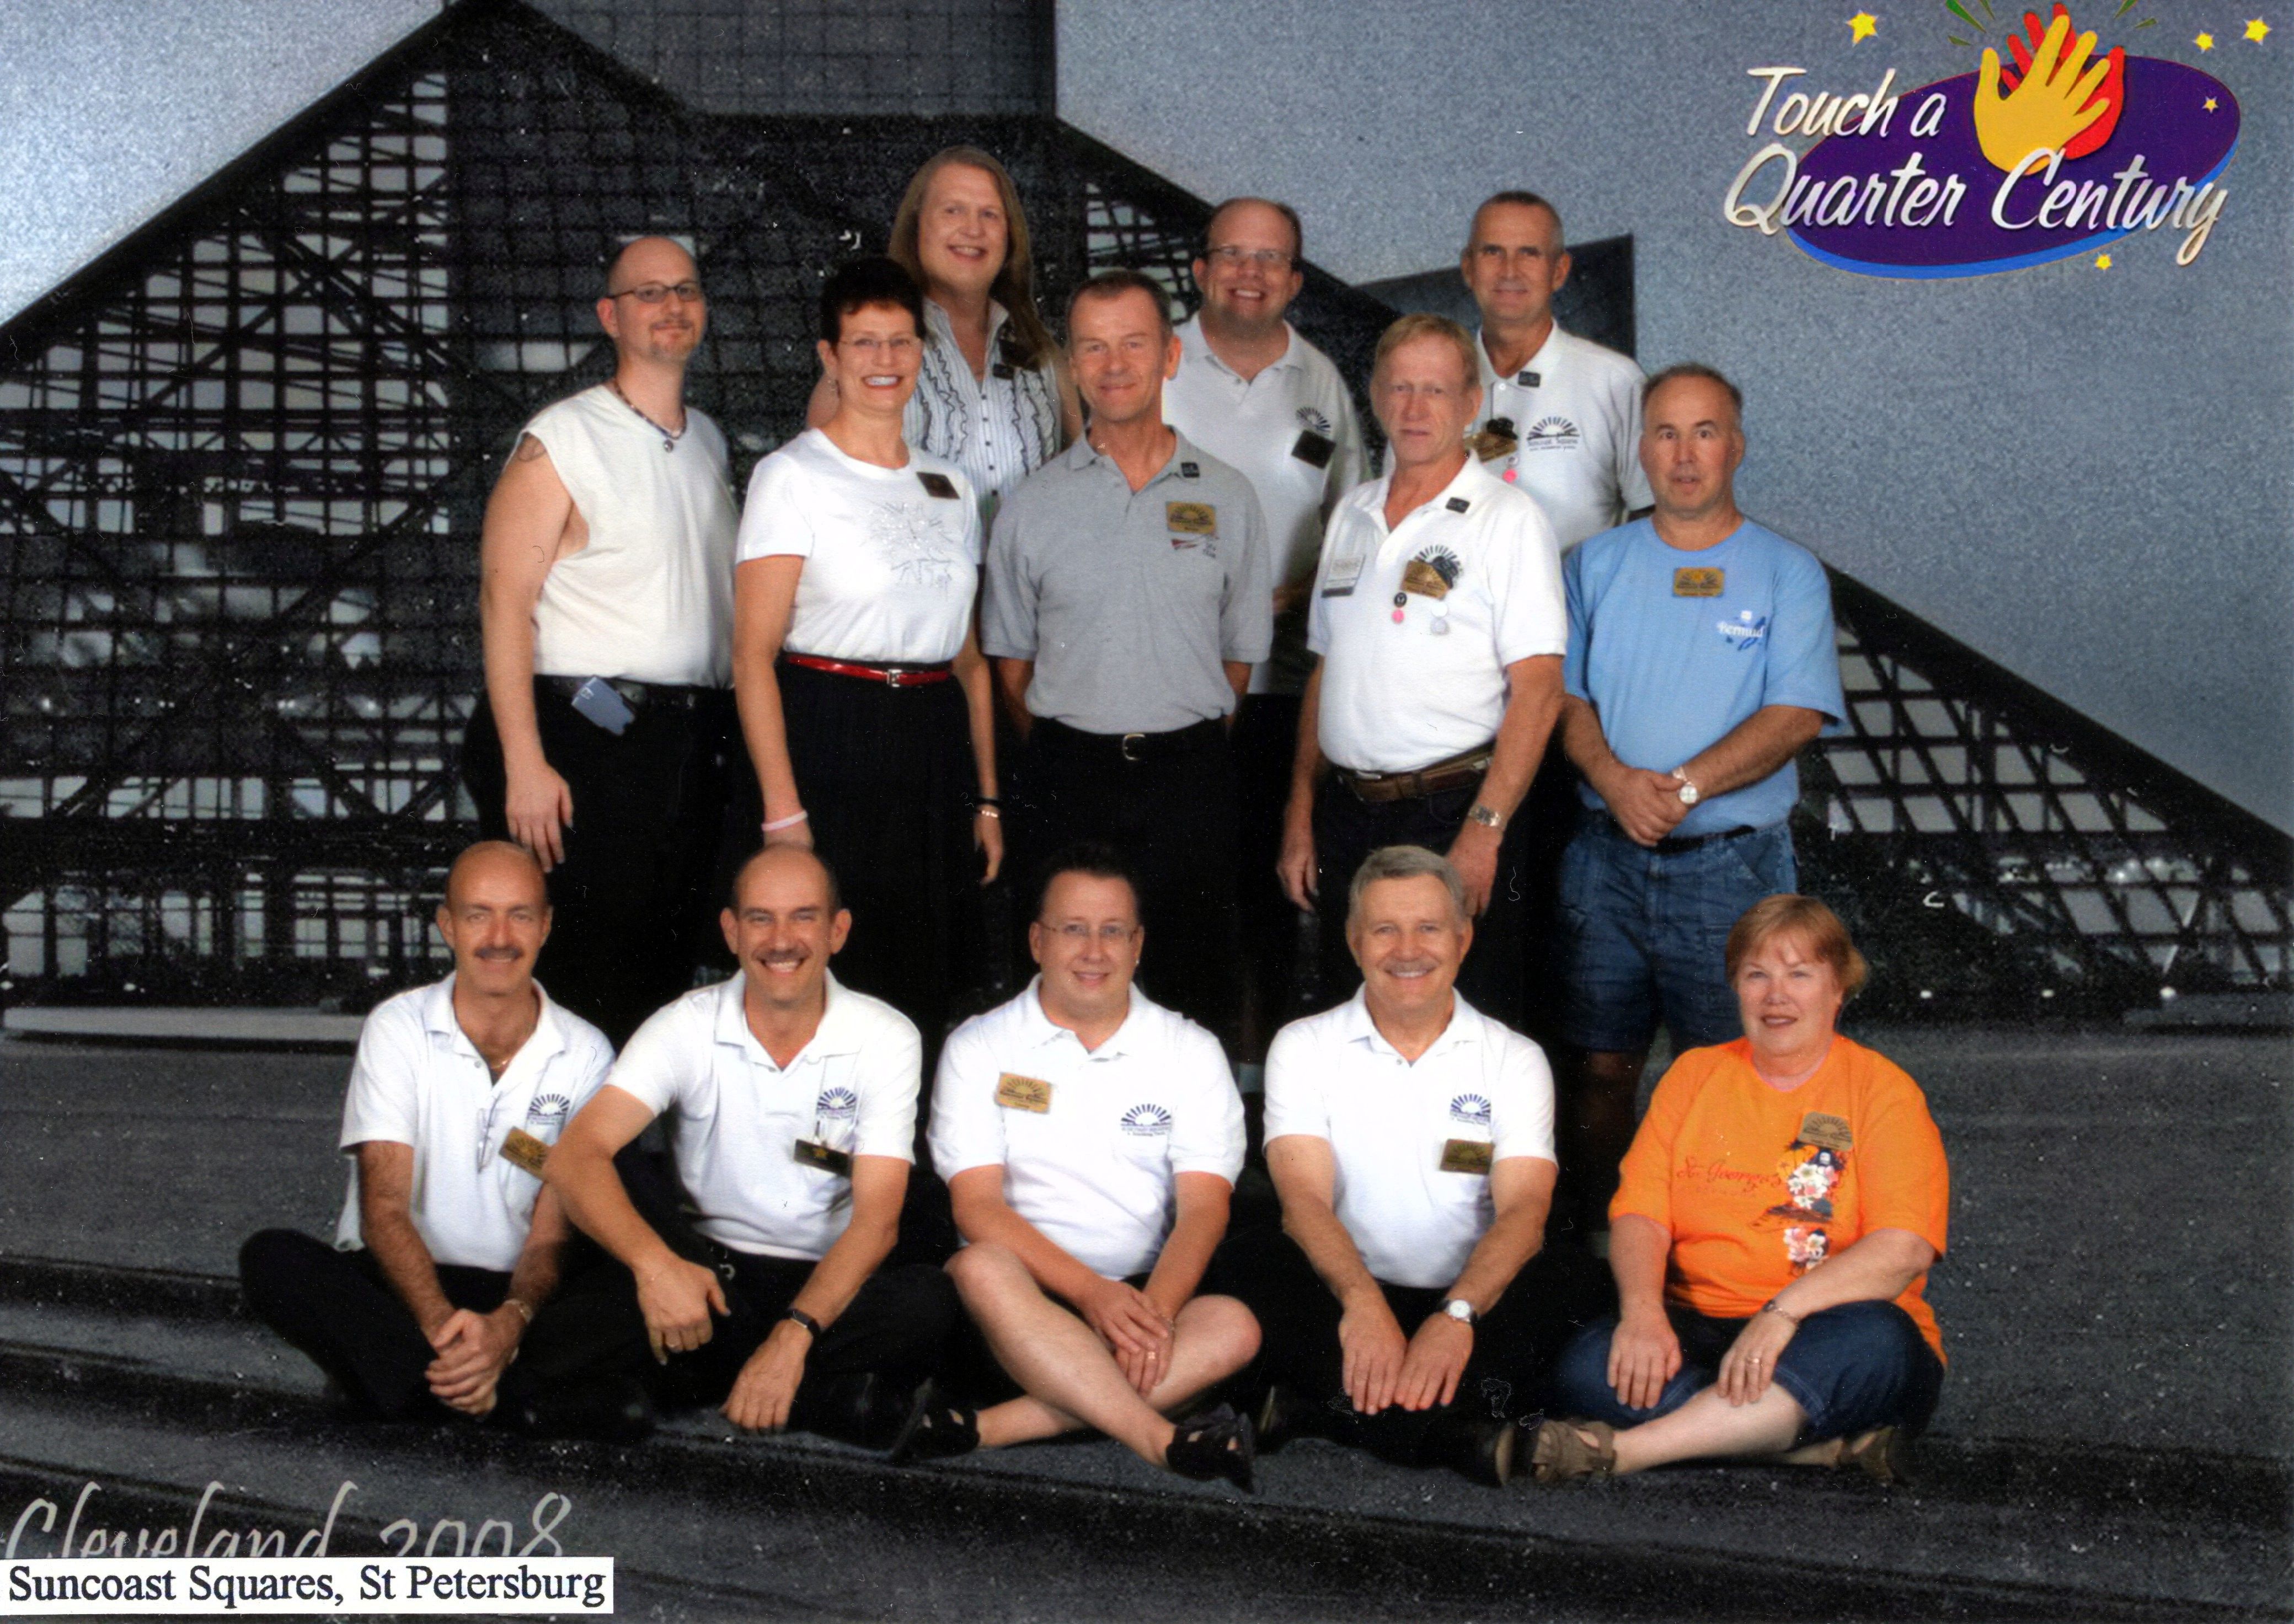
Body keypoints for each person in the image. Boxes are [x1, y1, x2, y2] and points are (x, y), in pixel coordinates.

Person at [1555, 363, 1846, 1234]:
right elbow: (1562, 698)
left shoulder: (1786, 572)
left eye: (1704, 433)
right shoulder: (1592, 564)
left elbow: (1794, 714)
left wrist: (1682, 788)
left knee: (1736, 1074)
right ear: (1640, 450)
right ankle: (1605, 1249)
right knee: (1597, 1069)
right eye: (1666, 433)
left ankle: (1723, 1258)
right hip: (1604, 861)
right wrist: (1613, 781)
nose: (1684, 456)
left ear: (1736, 447)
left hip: (1730, 870)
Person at [541, 846, 959, 1448]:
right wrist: (656, 1267)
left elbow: (876, 1222)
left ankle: (722, 1378)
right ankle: (822, 1398)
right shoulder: (684, 1023)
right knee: (577, 1309)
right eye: (761, 918)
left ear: (838, 930)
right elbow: (573, 1155)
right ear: (731, 931)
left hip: (825, 1286)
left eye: (803, 916)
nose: (781, 940)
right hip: (708, 1277)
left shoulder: (886, 1035)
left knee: (926, 1302)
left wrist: (794, 1332)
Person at [1215, 846, 1600, 1486]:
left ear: (1462, 938)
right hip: (1345, 1297)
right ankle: (1451, 1432)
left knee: (1575, 1278)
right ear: (1353, 940)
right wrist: (1362, 1302)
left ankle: (1323, 1411)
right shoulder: (1303, 1045)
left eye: (1428, 928)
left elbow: (1525, 1210)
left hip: (1470, 1301)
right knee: (1248, 1257)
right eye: (1385, 929)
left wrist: (1456, 1316)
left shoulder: (1514, 1057)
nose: (1407, 950)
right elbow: (1303, 1201)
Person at [1533, 896, 1948, 1483]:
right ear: (1735, 986)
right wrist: (1644, 1314)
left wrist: (1781, 1314)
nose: (1776, 995)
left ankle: (1627, 1450)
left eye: (1798, 974)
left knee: (1877, 1344)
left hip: (1827, 1330)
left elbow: (1902, 1247)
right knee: (1588, 1364)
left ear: (1837, 988)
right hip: (1700, 1325)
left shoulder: (1884, 1092)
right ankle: (1798, 1447)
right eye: (1757, 975)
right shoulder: (1693, 1075)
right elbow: (1641, 1215)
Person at [239, 843, 636, 1437]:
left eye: (519, 915)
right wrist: (440, 1324)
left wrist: (509, 1323)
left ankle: (411, 1384)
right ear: (447, 926)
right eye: (478, 915)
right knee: (271, 1257)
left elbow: (552, 1232)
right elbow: (383, 1208)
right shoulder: (398, 1028)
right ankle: (495, 1395)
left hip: (518, 1293)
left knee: (646, 1281)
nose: (499, 937)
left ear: (546, 926)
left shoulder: (586, 1052)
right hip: (404, 1285)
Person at [901, 845, 1260, 1490]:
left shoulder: (1190, 1049)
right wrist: (1092, 1295)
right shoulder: (979, 1045)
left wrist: (1152, 1318)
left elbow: (1205, 1208)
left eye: (1112, 930)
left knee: (1234, 1324)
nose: (1094, 951)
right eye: (1073, 929)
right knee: (978, 1265)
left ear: (1137, 944)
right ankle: (1158, 1436)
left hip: (1145, 1294)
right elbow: (976, 1208)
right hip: (1018, 1302)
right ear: (1037, 941)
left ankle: (987, 1426)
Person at [982, 270, 1274, 1039]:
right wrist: (1079, 736)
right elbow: (1011, 661)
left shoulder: (1228, 496)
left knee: (1193, 978)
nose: (1114, 365)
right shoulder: (1031, 504)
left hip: (1188, 774)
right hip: (1068, 774)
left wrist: (1173, 724)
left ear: (1170, 356)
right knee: (1062, 980)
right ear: (1073, 366)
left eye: (1134, 344)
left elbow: (1238, 657)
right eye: (1093, 347)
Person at [464, 235, 738, 1046]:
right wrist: (525, 764)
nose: (671, 306)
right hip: (580, 734)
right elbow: (503, 603)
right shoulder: (562, 436)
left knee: (656, 973)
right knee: (582, 973)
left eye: (685, 290)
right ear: (609, 317)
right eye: (648, 293)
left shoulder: (708, 441)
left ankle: (624, 1132)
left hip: (680, 740)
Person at [734, 256, 1002, 1042]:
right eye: (863, 342)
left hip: (931, 739)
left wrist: (987, 799)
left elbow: (969, 661)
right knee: (830, 969)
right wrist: (782, 810)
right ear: (830, 355)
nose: (884, 360)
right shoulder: (790, 475)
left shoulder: (952, 486)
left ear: (921, 350)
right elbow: (751, 655)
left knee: (922, 969)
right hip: (829, 730)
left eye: (900, 341)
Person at [1277, 314, 1565, 1031]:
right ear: (1375, 394)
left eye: (1434, 390)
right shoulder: (1352, 513)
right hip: (1348, 812)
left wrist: (1484, 831)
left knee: (1465, 1020)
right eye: (1399, 387)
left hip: (1450, 808)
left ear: (1471, 403)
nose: (1413, 407)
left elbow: (1539, 689)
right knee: (1351, 1015)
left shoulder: (1507, 518)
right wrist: (1300, 812)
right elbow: (1325, 672)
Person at [1163, 197, 1366, 1055]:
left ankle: (1259, 1089)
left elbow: (1355, 525)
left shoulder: (1321, 383)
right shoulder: (1155, 361)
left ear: (1293, 279)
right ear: (1200, 270)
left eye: (1269, 258)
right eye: (1231, 255)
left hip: (1282, 684)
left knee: (1272, 901)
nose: (1249, 274)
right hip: (1173, 681)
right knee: (1180, 893)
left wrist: (1285, 597)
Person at [811, 146, 1081, 523]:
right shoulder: (866, 359)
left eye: (990, 214)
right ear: (917, 227)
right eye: (953, 210)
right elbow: (822, 499)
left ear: (1010, 236)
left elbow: (1082, 480)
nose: (973, 229)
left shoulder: (1043, 356)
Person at [1456, 191, 1652, 550]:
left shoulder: (1615, 382)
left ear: (1559, 271)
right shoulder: (1432, 384)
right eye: (1492, 252)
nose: (1509, 271)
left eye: (1529, 253)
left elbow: (1654, 517)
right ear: (1468, 268)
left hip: (1575, 589)